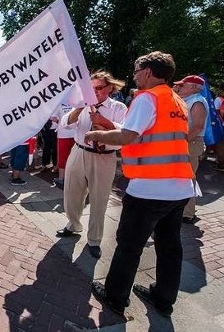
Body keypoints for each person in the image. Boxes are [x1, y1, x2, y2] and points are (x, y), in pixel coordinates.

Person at [86, 51, 194, 318]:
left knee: (129, 245)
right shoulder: (177, 100)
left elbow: (127, 135)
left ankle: (115, 296)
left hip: (149, 187)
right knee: (170, 247)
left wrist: (96, 133)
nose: (134, 76)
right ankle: (164, 298)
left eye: (136, 70)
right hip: (180, 186)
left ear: (147, 72)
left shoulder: (147, 98)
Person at [56, 71, 127, 259]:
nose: (94, 92)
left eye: (98, 88)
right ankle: (73, 224)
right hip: (79, 152)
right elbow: (65, 124)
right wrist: (78, 109)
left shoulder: (118, 107)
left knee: (99, 199)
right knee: (72, 193)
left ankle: (94, 239)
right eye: (91, 88)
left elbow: (126, 133)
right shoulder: (82, 106)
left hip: (104, 157)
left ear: (110, 88)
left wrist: (104, 122)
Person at [173, 75, 208, 224]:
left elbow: (198, 127)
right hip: (186, 142)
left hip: (191, 143)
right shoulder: (187, 100)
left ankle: (187, 213)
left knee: (187, 178)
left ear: (193, 87)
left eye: (183, 85)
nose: (179, 87)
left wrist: (182, 141)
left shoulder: (197, 102)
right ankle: (182, 210)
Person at [50, 104, 74, 188]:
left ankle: (61, 178)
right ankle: (73, 178)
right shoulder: (77, 101)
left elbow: (52, 117)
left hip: (63, 133)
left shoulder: (59, 102)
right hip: (75, 133)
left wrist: (59, 122)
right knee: (74, 157)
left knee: (63, 156)